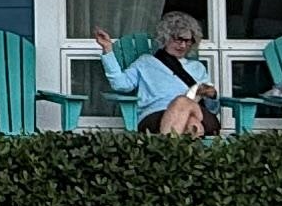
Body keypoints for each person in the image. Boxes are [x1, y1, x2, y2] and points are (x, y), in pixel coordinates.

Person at [87, 8, 218, 135]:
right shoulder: (146, 63)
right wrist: (108, 49)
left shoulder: (197, 67)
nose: (183, 45)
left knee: (183, 103)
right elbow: (121, 84)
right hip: (156, 114)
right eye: (178, 39)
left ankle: (165, 149)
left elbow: (212, 107)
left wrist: (211, 95)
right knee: (192, 124)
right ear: (165, 38)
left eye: (188, 41)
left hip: (198, 111)